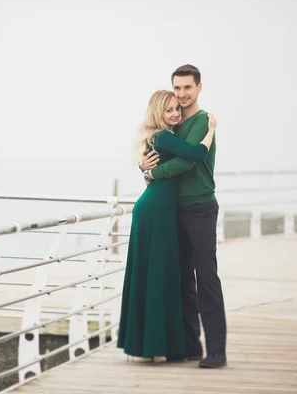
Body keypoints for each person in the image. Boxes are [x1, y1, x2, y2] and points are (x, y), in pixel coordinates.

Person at [117, 89, 216, 362]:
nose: (175, 113)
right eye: (169, 109)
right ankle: (150, 347)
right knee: (156, 274)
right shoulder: (162, 136)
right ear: (158, 113)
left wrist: (144, 168)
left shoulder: (163, 137)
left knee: (157, 273)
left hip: (160, 208)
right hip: (155, 209)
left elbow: (162, 165)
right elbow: (195, 153)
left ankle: (154, 346)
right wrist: (210, 130)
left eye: (177, 109)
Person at [140, 64, 227, 368]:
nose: (182, 94)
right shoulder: (174, 124)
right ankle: (190, 345)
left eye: (187, 88)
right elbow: (160, 151)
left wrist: (152, 172)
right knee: (182, 281)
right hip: (174, 208)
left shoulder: (202, 120)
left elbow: (186, 163)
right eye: (177, 88)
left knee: (206, 278)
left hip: (200, 206)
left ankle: (217, 350)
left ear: (199, 88)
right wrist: (144, 167)